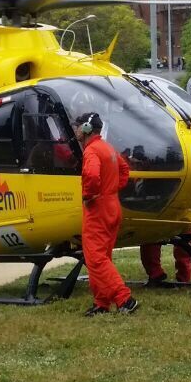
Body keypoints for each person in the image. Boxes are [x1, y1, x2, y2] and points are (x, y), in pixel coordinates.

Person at [74, 112, 138, 316]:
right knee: (103, 257)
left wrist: (89, 195)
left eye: (78, 126)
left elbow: (92, 175)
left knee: (95, 259)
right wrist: (112, 190)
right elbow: (125, 170)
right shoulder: (107, 148)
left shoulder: (91, 151)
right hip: (112, 206)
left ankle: (124, 299)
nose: (75, 130)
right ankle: (101, 304)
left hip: (98, 209)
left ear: (85, 128)